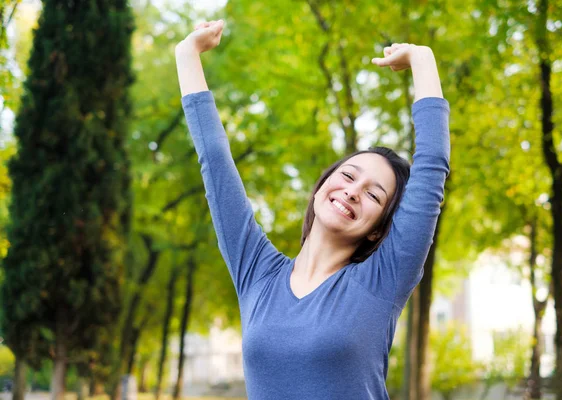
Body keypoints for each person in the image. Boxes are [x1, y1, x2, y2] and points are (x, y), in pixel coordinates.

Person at [175, 19, 449, 400]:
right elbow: (214, 160)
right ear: (322, 186)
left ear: (378, 229)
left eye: (373, 195)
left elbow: (433, 163)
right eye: (348, 175)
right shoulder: (256, 272)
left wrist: (422, 60)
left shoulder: (382, 281)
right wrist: (187, 54)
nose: (353, 192)